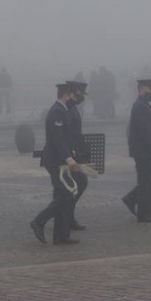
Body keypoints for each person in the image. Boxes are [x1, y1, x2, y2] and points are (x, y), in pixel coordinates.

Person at [30, 83, 81, 245]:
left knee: (63, 196)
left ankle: (61, 236)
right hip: (55, 161)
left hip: (61, 160)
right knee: (65, 195)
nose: (75, 98)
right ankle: (38, 221)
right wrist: (69, 158)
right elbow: (57, 139)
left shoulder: (63, 110)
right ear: (66, 94)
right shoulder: (57, 112)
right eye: (73, 95)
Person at [122, 79, 151, 223]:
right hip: (143, 151)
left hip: (145, 150)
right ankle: (144, 213)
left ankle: (132, 198)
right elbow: (145, 131)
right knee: (146, 180)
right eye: (150, 89)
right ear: (141, 89)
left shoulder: (144, 104)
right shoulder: (140, 106)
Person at [65, 80, 90, 231]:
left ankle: (68, 216)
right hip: (69, 154)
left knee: (78, 184)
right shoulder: (68, 108)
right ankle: (62, 216)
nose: (82, 97)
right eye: (80, 93)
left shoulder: (73, 107)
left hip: (75, 152)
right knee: (78, 184)